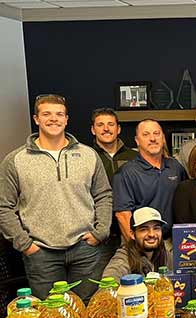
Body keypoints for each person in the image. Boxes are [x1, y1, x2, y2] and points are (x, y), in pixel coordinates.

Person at [0, 94, 112, 300]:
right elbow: (3, 207)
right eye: (47, 114)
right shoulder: (16, 160)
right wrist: (25, 244)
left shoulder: (88, 155)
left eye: (59, 114)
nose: (54, 119)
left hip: (85, 250)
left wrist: (100, 232)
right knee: (52, 317)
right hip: (41, 253)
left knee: (88, 311)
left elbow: (103, 195)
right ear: (36, 119)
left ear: (66, 119)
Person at [113, 119, 187, 239]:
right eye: (146, 134)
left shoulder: (175, 167)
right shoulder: (126, 173)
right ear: (137, 140)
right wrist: (136, 248)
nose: (152, 138)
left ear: (163, 138)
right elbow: (123, 215)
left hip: (173, 241)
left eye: (157, 134)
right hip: (144, 242)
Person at [90, 107, 138, 271]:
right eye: (100, 125)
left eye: (110, 124)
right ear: (93, 129)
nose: (106, 129)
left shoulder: (134, 157)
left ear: (118, 129)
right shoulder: (86, 157)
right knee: (102, 283)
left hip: (128, 232)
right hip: (99, 235)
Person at [103, 207, 171, 280]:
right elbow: (109, 283)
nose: (152, 234)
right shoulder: (123, 260)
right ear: (132, 234)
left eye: (156, 228)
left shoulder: (165, 254)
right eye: (144, 229)